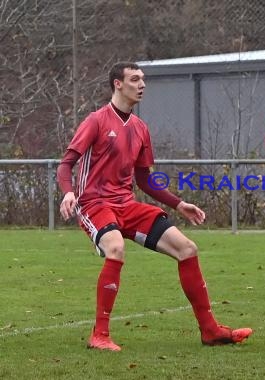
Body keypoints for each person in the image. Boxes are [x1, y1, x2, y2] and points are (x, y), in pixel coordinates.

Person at [56, 62, 253, 351]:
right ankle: (100, 335)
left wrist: (179, 203)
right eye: (135, 79)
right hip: (94, 204)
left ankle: (210, 330)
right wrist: (68, 193)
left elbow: (144, 179)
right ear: (117, 84)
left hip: (128, 205)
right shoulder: (96, 121)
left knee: (187, 248)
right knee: (116, 248)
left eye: (143, 79)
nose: (142, 84)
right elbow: (66, 164)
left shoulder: (140, 128)